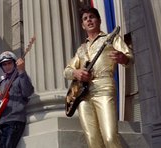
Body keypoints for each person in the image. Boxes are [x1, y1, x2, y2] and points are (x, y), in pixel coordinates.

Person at [63, 6, 133, 148]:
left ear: (99, 20)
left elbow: (130, 58)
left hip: (104, 87)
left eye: (92, 17)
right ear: (83, 26)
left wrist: (123, 58)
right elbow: (67, 70)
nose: (89, 20)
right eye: (85, 19)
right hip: (83, 94)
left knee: (109, 135)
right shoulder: (81, 49)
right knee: (92, 138)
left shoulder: (111, 38)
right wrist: (76, 73)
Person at [0, 51, 34, 148]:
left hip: (15, 120)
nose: (7, 66)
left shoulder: (21, 76)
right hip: (2, 122)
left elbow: (28, 92)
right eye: (4, 64)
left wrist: (22, 72)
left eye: (9, 63)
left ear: (14, 63)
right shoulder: (2, 82)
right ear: (1, 66)